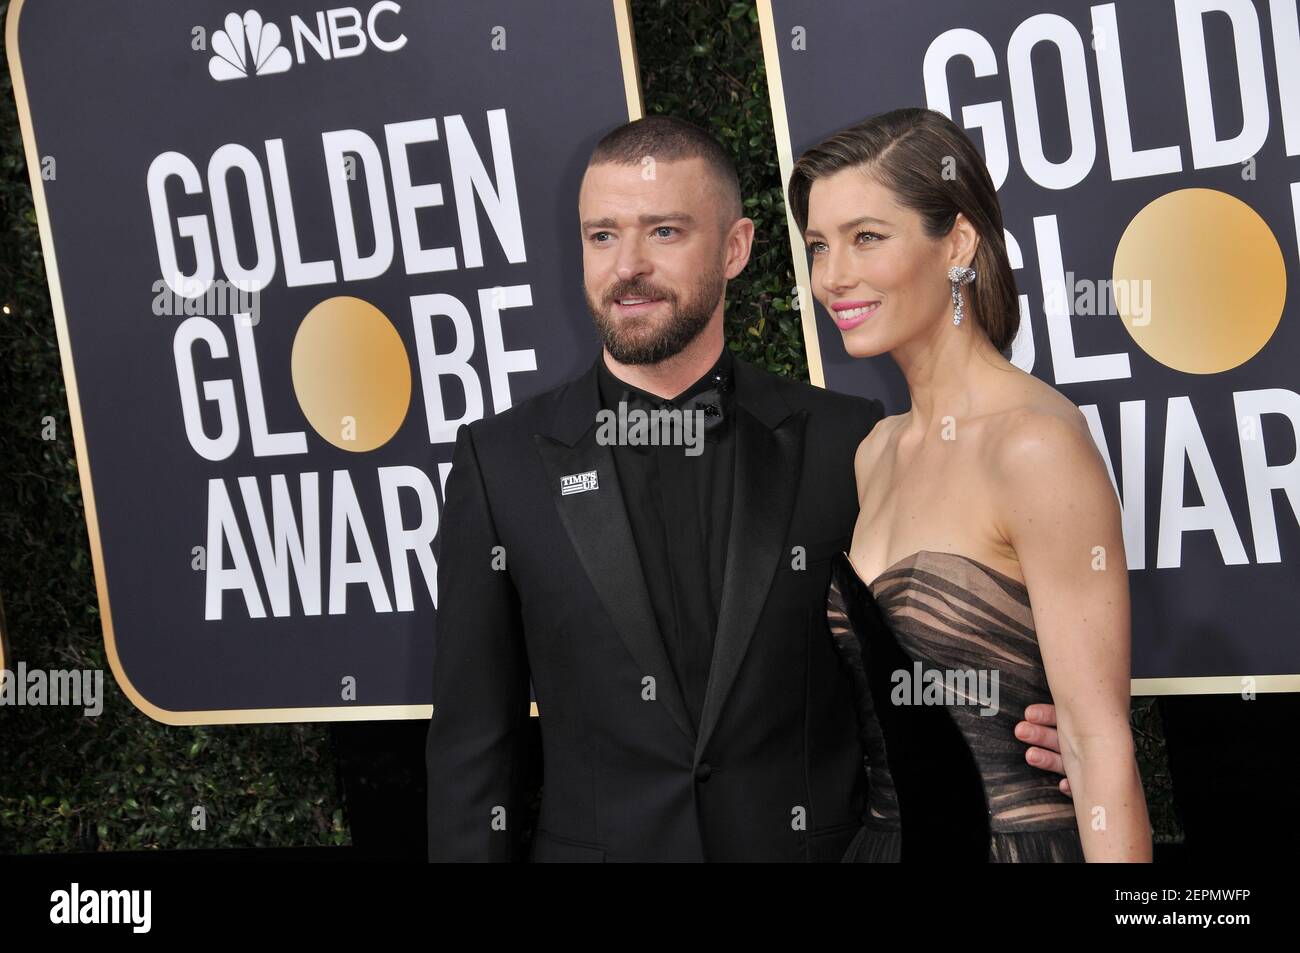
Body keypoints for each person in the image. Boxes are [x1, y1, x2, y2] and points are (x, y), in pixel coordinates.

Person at [426, 115, 1069, 862]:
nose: (626, 264)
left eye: (663, 231)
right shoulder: (500, 462)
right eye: (602, 235)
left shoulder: (849, 442)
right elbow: (475, 747)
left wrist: (1024, 718)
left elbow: (925, 654)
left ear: (736, 249)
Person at [791, 107, 1152, 862]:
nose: (833, 276)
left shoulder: (1033, 445)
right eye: (819, 245)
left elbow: (1095, 747)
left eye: (866, 238)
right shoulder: (877, 452)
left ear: (956, 242)